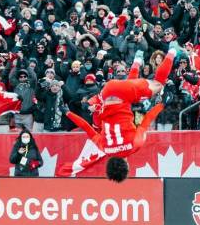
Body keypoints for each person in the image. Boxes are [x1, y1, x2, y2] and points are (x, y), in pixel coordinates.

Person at [62, 48, 177, 182]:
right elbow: (86, 127)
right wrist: (68, 113)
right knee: (130, 92)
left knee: (158, 85)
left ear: (127, 166)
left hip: (122, 95)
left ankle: (172, 52)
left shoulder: (134, 146)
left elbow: (146, 121)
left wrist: (162, 105)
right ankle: (137, 61)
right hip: (107, 92)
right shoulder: (104, 148)